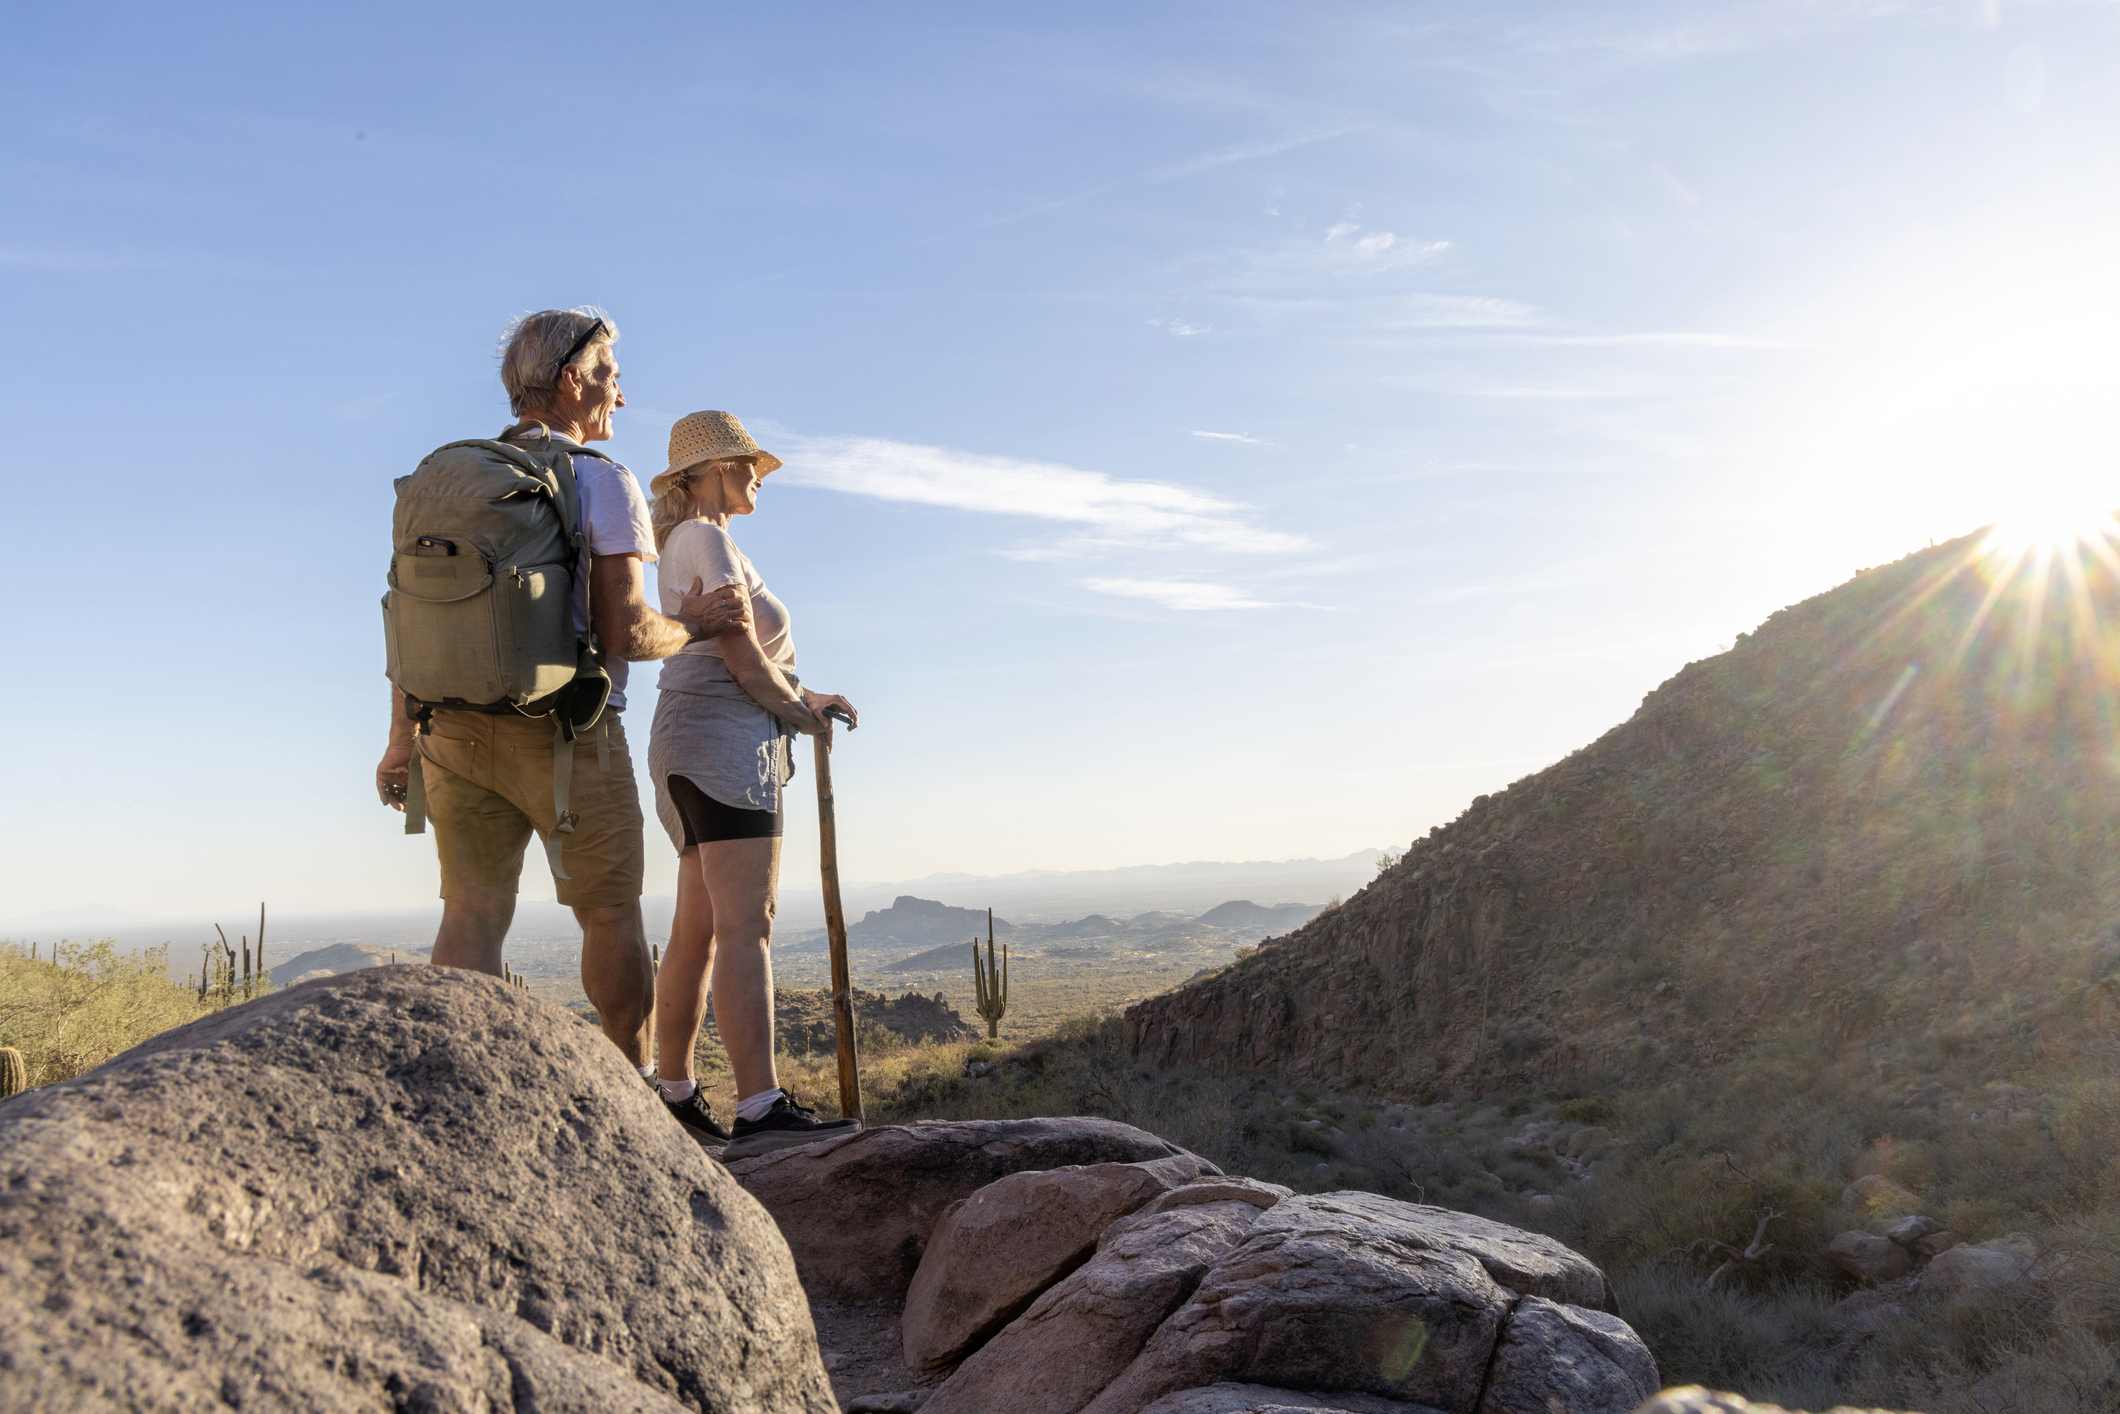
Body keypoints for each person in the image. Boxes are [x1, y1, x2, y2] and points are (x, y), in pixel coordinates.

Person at [375, 308, 747, 1078]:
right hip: (568, 734)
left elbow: (410, 620)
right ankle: (634, 1098)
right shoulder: (599, 479)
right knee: (608, 915)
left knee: (471, 912)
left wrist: (400, 741)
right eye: (611, 376)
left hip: (449, 733)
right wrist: (698, 624)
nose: (621, 394)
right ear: (573, 381)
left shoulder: (447, 481)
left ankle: (461, 1090)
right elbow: (625, 630)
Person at [645, 410, 862, 1155]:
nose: (757, 477)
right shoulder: (705, 539)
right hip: (725, 741)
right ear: (714, 470)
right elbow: (741, 659)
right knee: (748, 922)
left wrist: (803, 696)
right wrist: (801, 715)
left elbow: (743, 655)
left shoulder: (691, 539)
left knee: (698, 926)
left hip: (688, 737)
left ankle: (673, 1091)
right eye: (748, 464)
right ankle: (761, 1108)